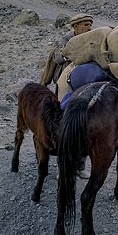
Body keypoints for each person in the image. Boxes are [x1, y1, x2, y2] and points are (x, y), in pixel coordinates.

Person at [39, 12, 94, 179]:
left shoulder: (94, 38)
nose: (88, 27)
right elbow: (57, 57)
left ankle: (80, 165)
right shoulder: (65, 40)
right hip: (65, 87)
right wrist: (76, 53)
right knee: (63, 125)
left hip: (85, 86)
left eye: (90, 24)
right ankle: (63, 165)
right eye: (85, 24)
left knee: (85, 124)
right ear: (76, 27)